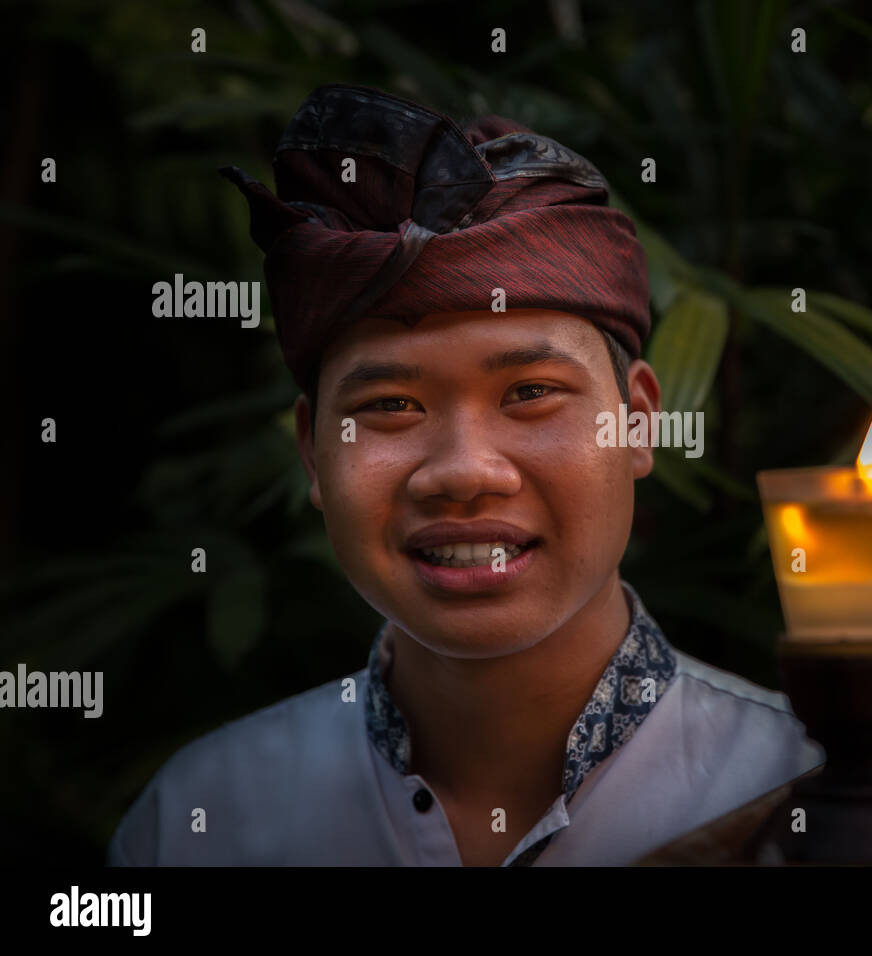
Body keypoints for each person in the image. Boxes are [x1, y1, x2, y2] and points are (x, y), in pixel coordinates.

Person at [107, 84, 824, 866]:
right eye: (390, 404)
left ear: (638, 421)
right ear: (314, 451)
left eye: (530, 393)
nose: (463, 472)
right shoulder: (200, 820)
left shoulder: (815, 797)